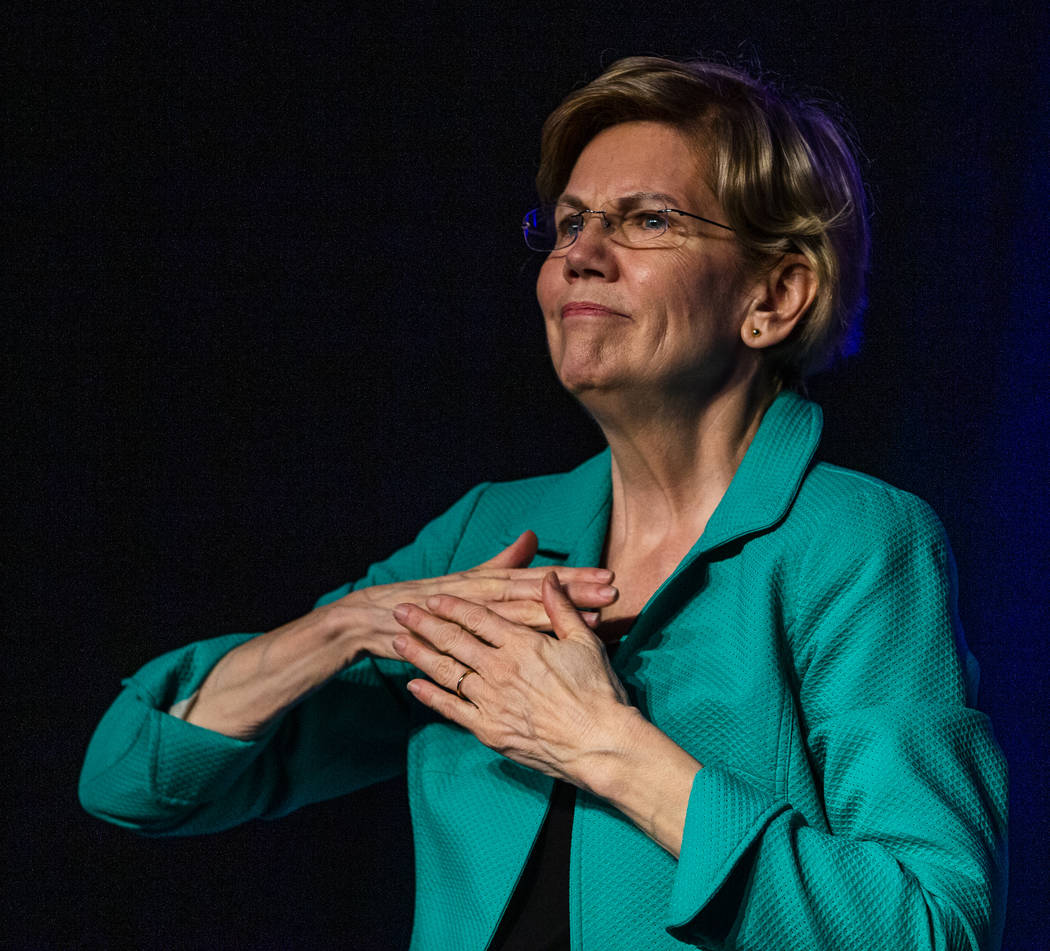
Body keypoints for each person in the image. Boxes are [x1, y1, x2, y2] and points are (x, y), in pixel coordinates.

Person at [80, 56, 1008, 950]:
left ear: (773, 295)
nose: (582, 257)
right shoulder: (488, 536)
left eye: (646, 220)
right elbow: (135, 781)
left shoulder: (854, 540)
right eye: (567, 224)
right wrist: (351, 623)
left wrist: (606, 745)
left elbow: (931, 925)